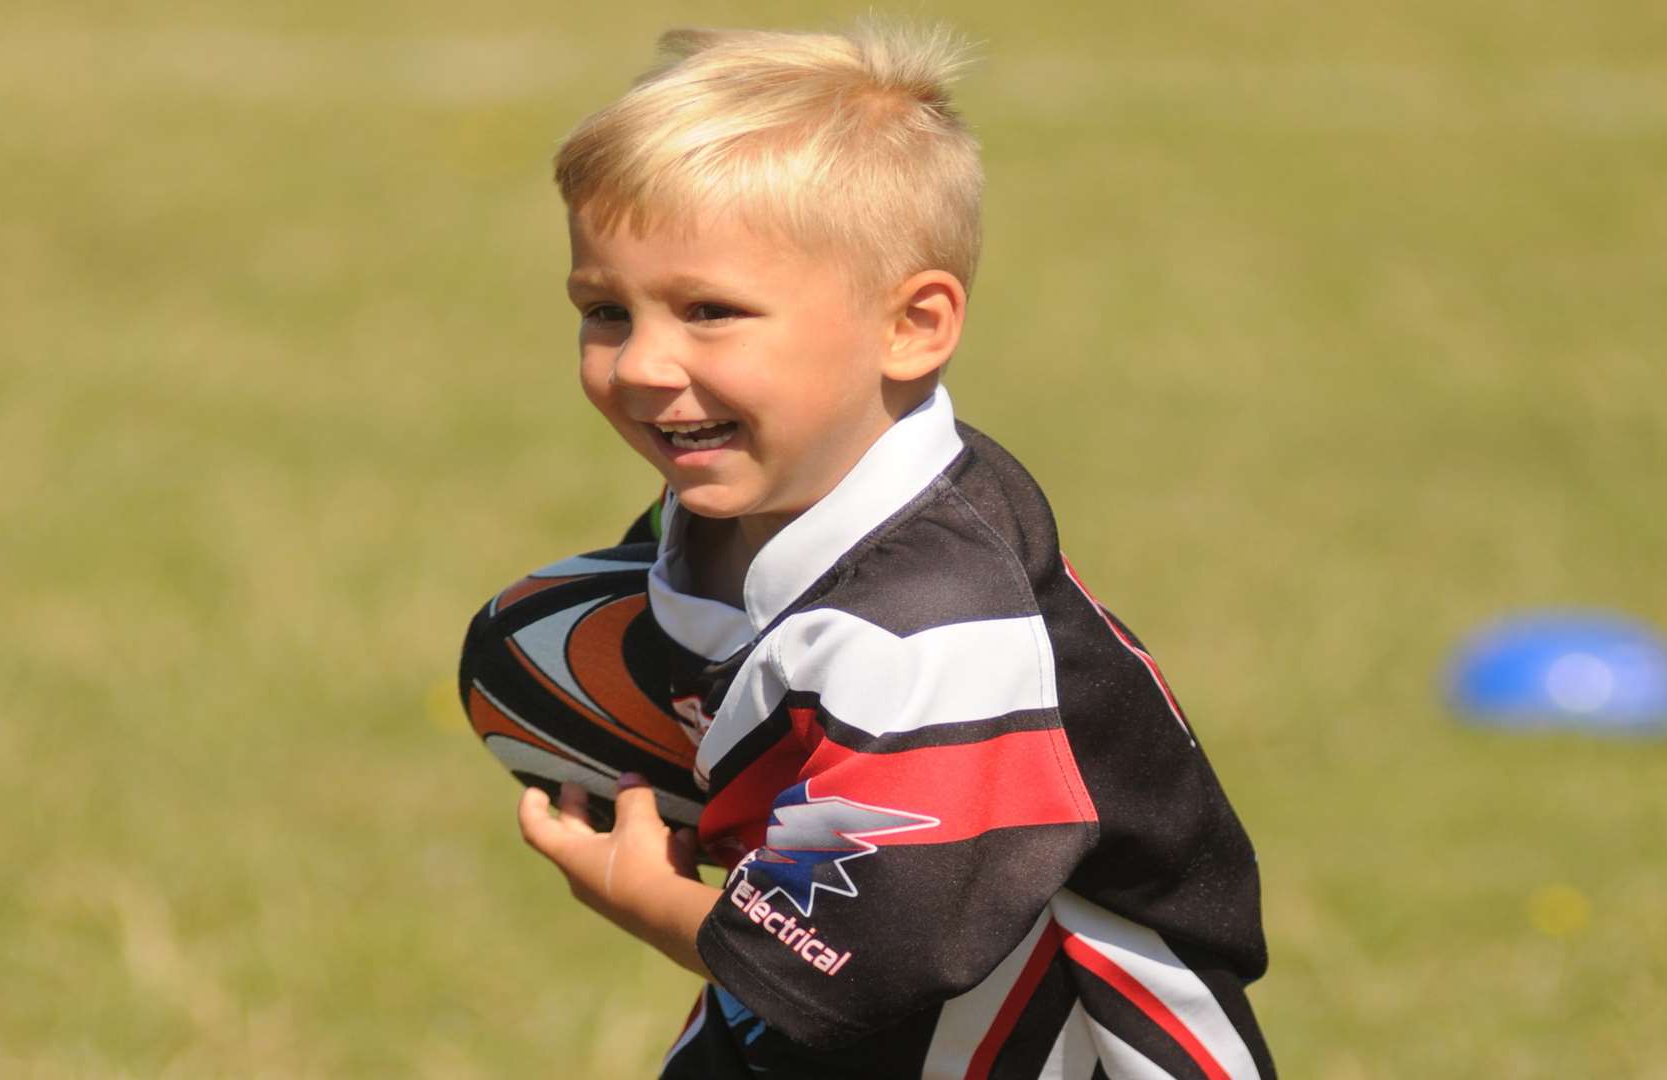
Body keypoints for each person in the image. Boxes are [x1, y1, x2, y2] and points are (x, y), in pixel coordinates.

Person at [507, 21, 1275, 1078]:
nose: (641, 364)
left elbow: (854, 966)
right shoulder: (747, 501)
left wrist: (645, 895)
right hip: (835, 1015)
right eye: (605, 311)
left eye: (709, 311)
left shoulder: (936, 626)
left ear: (912, 325)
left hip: (1043, 1031)